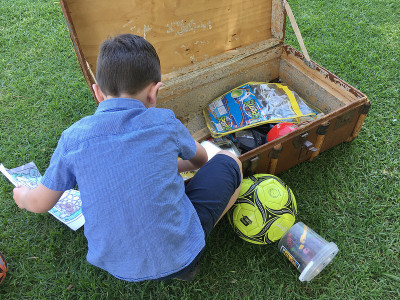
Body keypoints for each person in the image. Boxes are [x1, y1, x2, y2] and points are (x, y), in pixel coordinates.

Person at [13, 34, 243, 282]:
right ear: (154, 92)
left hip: (117, 267)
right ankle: (195, 236)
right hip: (183, 262)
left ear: (98, 92)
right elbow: (200, 161)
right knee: (231, 162)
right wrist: (171, 164)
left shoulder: (73, 139)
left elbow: (39, 203)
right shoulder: (164, 122)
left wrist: (22, 195)